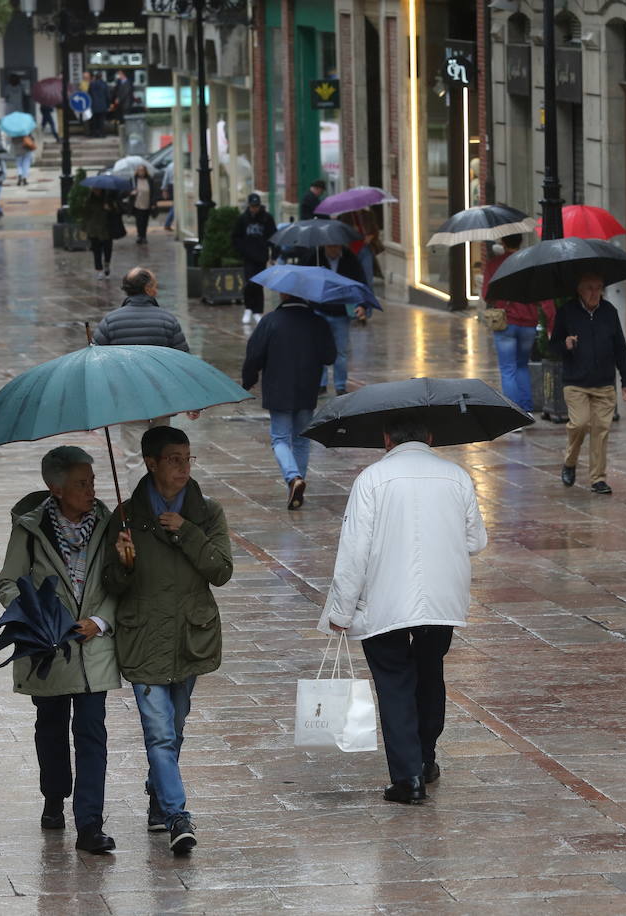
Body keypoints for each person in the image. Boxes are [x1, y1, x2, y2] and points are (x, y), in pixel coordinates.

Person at [319, 411, 487, 804]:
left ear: (386, 440)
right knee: (430, 674)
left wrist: (341, 611)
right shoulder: (457, 476)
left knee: (394, 681)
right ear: (430, 436)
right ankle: (426, 758)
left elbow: (353, 551)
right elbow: (476, 541)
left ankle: (408, 777)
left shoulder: (372, 479)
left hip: (384, 600)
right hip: (443, 599)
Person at [104, 426, 232, 854]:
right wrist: (121, 563)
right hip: (143, 639)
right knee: (159, 733)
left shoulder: (207, 512)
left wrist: (186, 531)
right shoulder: (125, 516)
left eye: (188, 458)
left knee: (174, 729)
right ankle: (178, 814)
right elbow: (111, 584)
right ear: (151, 463)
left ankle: (158, 797)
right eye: (174, 459)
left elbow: (221, 571)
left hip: (188, 638)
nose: (183, 467)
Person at [0, 446, 119, 854]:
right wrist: (38, 614)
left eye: (92, 481)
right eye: (81, 483)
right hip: (48, 649)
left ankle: (89, 824)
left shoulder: (110, 523)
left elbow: (123, 584)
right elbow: (8, 582)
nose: (91, 489)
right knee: (50, 727)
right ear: (56, 488)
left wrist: (100, 621)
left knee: (91, 731)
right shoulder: (30, 529)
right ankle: (53, 797)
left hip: (94, 648)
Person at [93, 268, 193, 490]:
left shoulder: (110, 321)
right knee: (163, 453)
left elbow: (95, 363)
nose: (157, 288)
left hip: (128, 399)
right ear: (148, 289)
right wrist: (192, 401)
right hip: (161, 398)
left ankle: (139, 508)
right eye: (155, 284)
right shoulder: (167, 320)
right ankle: (163, 499)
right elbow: (183, 361)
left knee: (134, 456)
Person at [241, 294, 337, 509]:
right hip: (307, 389)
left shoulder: (271, 321)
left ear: (284, 295)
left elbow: (254, 353)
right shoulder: (317, 322)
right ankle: (296, 484)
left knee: (280, 439)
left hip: (278, 389)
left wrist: (249, 379)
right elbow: (330, 356)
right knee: (302, 439)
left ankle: (293, 478)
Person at [548, 273, 626, 495]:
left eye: (599, 288)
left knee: (601, 430)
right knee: (579, 424)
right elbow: (552, 347)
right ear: (579, 290)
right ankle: (570, 461)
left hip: (604, 383)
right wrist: (565, 344)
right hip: (575, 382)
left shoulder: (609, 312)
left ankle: (598, 478)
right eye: (589, 288)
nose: (595, 293)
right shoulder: (567, 312)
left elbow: (620, 347)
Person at [481, 235, 539, 414]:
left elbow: (486, 294)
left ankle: (515, 414)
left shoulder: (494, 264)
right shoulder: (530, 264)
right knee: (522, 365)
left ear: (503, 242)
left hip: (505, 322)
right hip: (529, 322)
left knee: (508, 369)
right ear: (520, 241)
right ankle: (527, 409)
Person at [315, 243, 370, 396]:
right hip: (320, 310)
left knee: (341, 351)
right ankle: (321, 383)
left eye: (336, 247)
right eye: (331, 246)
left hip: (341, 311)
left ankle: (340, 385)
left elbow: (361, 282)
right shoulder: (315, 256)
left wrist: (362, 305)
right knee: (319, 349)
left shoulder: (349, 258)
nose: (334, 250)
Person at [232, 193, 277, 324]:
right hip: (248, 257)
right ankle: (248, 308)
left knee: (259, 283)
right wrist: (242, 250)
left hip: (261, 256)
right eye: (252, 206)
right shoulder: (242, 219)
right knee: (249, 282)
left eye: (256, 206)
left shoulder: (267, 218)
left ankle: (258, 310)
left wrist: (273, 255)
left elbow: (273, 236)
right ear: (249, 206)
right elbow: (236, 236)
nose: (254, 209)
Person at [79, 187, 118, 279]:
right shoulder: (89, 200)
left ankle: (107, 264)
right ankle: (99, 270)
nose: (96, 191)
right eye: (94, 189)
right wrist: (84, 228)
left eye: (98, 189)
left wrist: (110, 208)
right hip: (94, 229)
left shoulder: (108, 199)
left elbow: (116, 212)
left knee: (107, 249)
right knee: (96, 251)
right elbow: (85, 215)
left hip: (106, 229)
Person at [129, 164, 158, 245]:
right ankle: (139, 236)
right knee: (139, 221)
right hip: (137, 204)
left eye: (142, 170)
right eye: (139, 170)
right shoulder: (133, 180)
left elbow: (153, 192)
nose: (141, 172)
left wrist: (153, 203)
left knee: (145, 221)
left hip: (147, 203)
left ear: (145, 171)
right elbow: (127, 191)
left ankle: (144, 236)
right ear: (137, 172)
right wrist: (132, 193)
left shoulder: (149, 180)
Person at [88, 72, 110, 137]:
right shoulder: (104, 84)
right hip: (102, 105)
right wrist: (108, 105)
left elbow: (89, 94)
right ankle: (101, 133)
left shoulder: (91, 84)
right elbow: (107, 95)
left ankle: (94, 133)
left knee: (94, 121)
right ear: (101, 77)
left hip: (94, 105)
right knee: (101, 121)